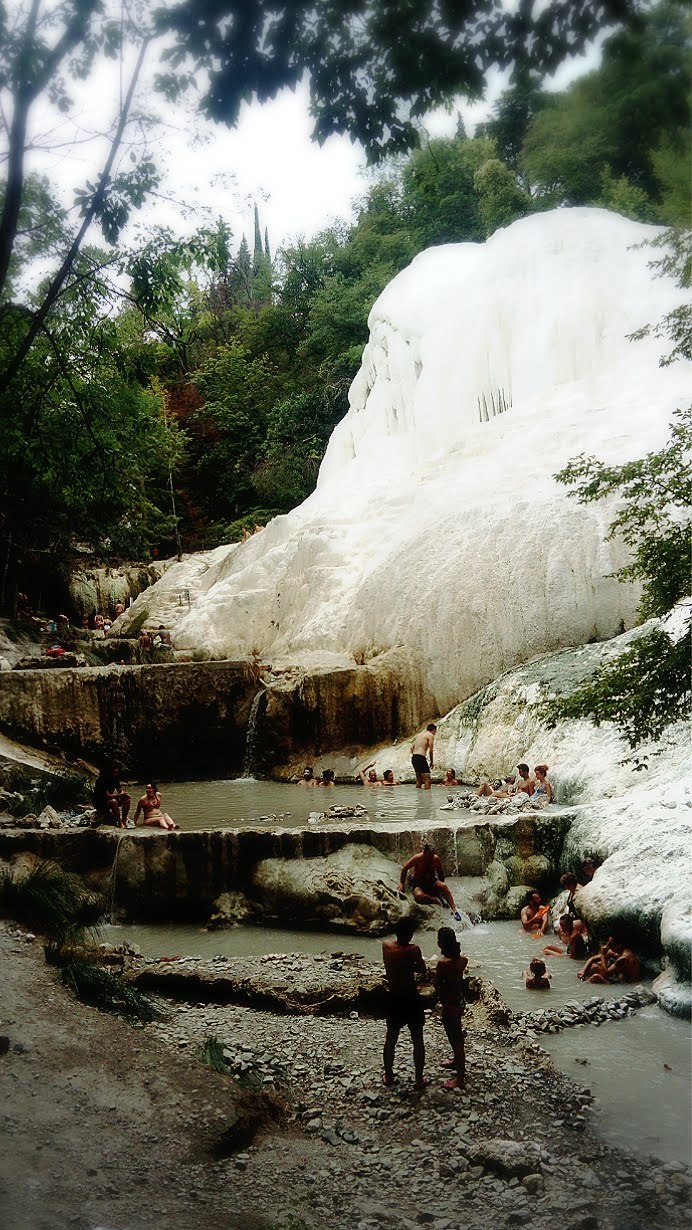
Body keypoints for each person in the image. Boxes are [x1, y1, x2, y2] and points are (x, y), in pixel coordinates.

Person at [382, 918, 430, 1090]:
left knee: (391, 1037)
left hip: (394, 997)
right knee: (417, 1039)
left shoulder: (386, 946)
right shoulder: (413, 949)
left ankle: (388, 1075)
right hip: (411, 998)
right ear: (409, 934)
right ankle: (418, 1078)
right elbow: (422, 970)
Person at [434, 927, 468, 1090]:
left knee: (456, 1041)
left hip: (450, 1005)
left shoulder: (443, 963)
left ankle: (460, 1079)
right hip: (460, 1002)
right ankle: (456, 1062)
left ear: (441, 943)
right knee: (457, 1037)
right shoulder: (463, 960)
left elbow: (437, 982)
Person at [399, 844, 463, 920]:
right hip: (419, 884)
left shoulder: (435, 859)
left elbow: (440, 872)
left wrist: (440, 888)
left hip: (432, 882)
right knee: (419, 896)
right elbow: (405, 868)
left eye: (432, 855)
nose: (430, 858)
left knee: (444, 886)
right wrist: (402, 883)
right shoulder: (417, 858)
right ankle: (435, 900)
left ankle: (455, 911)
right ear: (424, 852)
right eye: (428, 856)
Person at [93, 763, 131, 828]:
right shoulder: (101, 780)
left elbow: (120, 790)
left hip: (108, 799)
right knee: (113, 801)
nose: (115, 774)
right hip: (99, 802)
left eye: (117, 772)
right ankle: (119, 823)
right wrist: (120, 795)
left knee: (127, 799)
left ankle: (123, 820)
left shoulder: (115, 778)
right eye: (114, 772)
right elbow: (107, 796)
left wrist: (124, 794)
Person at [411, 723, 436, 789]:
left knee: (419, 780)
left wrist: (416, 755)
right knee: (428, 780)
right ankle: (428, 799)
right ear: (434, 730)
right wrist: (431, 761)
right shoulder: (430, 735)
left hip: (414, 757)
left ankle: (419, 798)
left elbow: (411, 747)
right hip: (420, 757)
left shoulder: (419, 735)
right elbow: (431, 750)